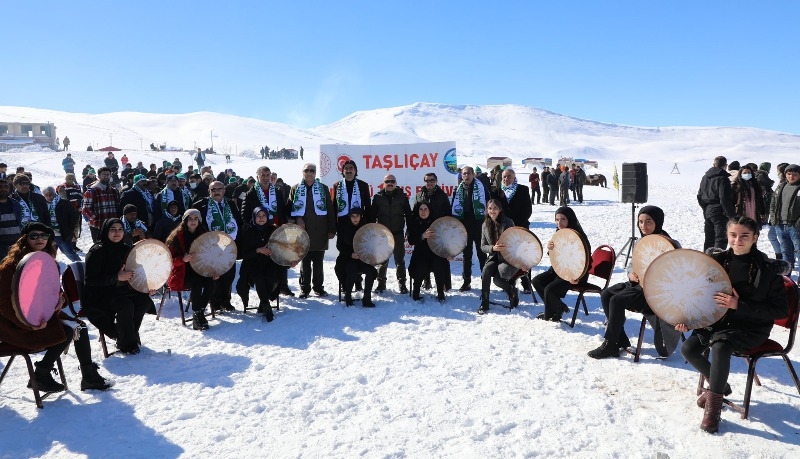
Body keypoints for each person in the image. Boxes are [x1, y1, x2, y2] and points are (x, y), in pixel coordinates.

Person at [676, 216, 787, 433]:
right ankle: (720, 385)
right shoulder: (716, 262)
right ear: (727, 236)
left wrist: (739, 305)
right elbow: (701, 295)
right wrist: (690, 320)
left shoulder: (768, 270)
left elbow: (780, 310)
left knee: (720, 346)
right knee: (689, 349)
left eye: (744, 235)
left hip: (751, 326)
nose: (738, 240)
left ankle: (713, 409)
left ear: (755, 237)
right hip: (717, 322)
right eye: (733, 235)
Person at [0, 222, 112, 392]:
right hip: (14, 325)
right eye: (34, 236)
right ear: (24, 239)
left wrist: (61, 300)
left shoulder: (46, 262)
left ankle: (89, 377)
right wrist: (27, 323)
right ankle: (41, 374)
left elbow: (54, 293)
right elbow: (4, 305)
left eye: (44, 236)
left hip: (41, 318)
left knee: (79, 327)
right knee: (65, 331)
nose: (40, 239)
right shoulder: (10, 267)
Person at [588, 206, 682, 359]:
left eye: (648, 222)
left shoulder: (671, 244)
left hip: (655, 293)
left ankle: (610, 344)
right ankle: (620, 338)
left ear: (657, 222)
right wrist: (631, 273)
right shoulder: (640, 241)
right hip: (636, 285)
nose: (643, 226)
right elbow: (634, 264)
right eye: (640, 222)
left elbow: (678, 272)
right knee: (606, 294)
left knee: (617, 300)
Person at [82, 218, 155, 355]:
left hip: (121, 291)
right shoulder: (96, 252)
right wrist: (116, 277)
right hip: (100, 295)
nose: (117, 232)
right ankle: (126, 341)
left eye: (120, 229)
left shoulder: (127, 249)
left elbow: (137, 272)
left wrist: (147, 287)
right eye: (113, 229)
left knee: (144, 301)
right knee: (126, 305)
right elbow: (90, 281)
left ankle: (129, 334)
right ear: (105, 231)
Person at [533, 206, 591, 321]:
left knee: (549, 289)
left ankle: (552, 311)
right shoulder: (559, 233)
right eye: (557, 219)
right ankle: (557, 307)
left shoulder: (579, 236)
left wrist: (577, 277)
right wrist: (551, 249)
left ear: (570, 219)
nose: (559, 223)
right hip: (558, 270)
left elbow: (586, 260)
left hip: (575, 274)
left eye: (563, 219)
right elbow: (558, 256)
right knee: (537, 281)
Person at [194, 181, 243, 311]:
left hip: (229, 245)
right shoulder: (201, 205)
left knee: (229, 274)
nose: (216, 191)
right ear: (209, 191)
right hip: (211, 246)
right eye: (213, 189)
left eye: (219, 189)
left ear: (224, 190)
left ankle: (226, 301)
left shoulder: (231, 203)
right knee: (215, 274)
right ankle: (215, 302)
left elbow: (238, 220)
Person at [241, 166, 290, 296]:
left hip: (277, 230)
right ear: (257, 176)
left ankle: (283, 285)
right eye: (262, 175)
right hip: (260, 232)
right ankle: (266, 291)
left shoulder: (277, 191)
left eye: (267, 174)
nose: (265, 177)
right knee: (266, 261)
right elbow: (245, 215)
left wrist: (284, 224)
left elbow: (282, 210)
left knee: (281, 257)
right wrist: (253, 229)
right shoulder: (251, 193)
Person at [289, 164, 336, 298]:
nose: (309, 173)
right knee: (304, 261)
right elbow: (289, 209)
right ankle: (305, 288)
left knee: (318, 261)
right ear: (302, 172)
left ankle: (318, 287)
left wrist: (332, 228)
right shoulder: (295, 189)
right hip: (302, 231)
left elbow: (330, 209)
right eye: (306, 170)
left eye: (312, 171)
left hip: (320, 230)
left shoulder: (323, 188)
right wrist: (297, 218)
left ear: (315, 173)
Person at [165, 209, 215, 330]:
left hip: (201, 268)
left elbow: (211, 253)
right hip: (183, 271)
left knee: (211, 283)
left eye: (195, 218)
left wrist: (213, 269)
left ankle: (200, 311)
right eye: (190, 219)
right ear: (185, 221)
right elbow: (169, 260)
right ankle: (197, 317)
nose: (193, 221)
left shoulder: (203, 233)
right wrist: (183, 259)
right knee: (196, 284)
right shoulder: (177, 236)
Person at [236, 208, 288, 320]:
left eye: (263, 215)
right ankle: (266, 305)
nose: (261, 218)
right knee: (259, 277)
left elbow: (282, 249)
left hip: (269, 262)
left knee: (271, 277)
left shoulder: (273, 230)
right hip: (252, 262)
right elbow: (243, 253)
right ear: (254, 217)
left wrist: (288, 260)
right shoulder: (248, 231)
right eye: (258, 215)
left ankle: (263, 304)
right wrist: (258, 250)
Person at [477, 199, 523, 314]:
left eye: (495, 208)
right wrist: (493, 248)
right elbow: (483, 246)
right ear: (487, 210)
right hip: (494, 256)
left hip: (508, 258)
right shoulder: (485, 224)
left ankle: (512, 291)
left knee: (498, 279)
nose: (492, 211)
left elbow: (515, 243)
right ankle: (485, 302)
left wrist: (503, 247)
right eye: (490, 208)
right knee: (486, 271)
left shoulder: (508, 222)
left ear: (500, 209)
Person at [371, 174, 412, 294]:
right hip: (383, 235)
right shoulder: (378, 197)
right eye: (387, 181)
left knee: (400, 260)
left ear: (396, 182)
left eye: (392, 181)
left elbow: (408, 215)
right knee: (382, 261)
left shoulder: (403, 197)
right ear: (383, 183)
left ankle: (402, 284)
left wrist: (409, 229)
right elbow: (373, 216)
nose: (390, 183)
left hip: (398, 233)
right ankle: (381, 284)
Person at [451, 166, 490, 291]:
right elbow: (454, 206)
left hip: (479, 226)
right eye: (464, 174)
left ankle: (485, 281)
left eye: (468, 173)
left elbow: (489, 205)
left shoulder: (482, 187)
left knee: (482, 255)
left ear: (473, 174)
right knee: (466, 256)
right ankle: (466, 281)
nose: (466, 176)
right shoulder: (458, 189)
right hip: (465, 227)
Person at [334, 207, 377, 307]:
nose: (355, 218)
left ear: (361, 216)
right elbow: (339, 246)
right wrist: (351, 254)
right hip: (347, 257)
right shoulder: (344, 228)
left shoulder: (367, 228)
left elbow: (371, 244)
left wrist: (366, 254)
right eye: (352, 216)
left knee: (370, 272)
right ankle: (348, 297)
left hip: (363, 258)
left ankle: (367, 299)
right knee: (351, 270)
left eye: (357, 216)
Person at [407, 203, 449, 302]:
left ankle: (440, 293)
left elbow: (444, 240)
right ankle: (416, 293)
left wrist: (448, 253)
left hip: (435, 253)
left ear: (429, 211)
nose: (423, 211)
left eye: (426, 209)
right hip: (420, 254)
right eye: (421, 209)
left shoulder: (436, 222)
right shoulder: (414, 223)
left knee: (439, 265)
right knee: (420, 267)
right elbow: (411, 241)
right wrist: (422, 236)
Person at [697, 156, 736, 251]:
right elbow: (724, 198)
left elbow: (699, 196)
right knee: (721, 238)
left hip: (708, 210)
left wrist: (705, 209)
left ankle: (706, 259)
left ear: (714, 164)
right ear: (725, 166)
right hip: (719, 211)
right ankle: (716, 260)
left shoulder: (705, 177)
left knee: (709, 239)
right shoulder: (723, 178)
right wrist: (731, 215)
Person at [768, 163, 800, 274]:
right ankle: (787, 276)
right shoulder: (781, 187)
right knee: (786, 252)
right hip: (780, 225)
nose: (791, 176)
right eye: (789, 174)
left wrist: (797, 223)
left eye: (794, 174)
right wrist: (773, 219)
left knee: (799, 251)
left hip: (795, 226)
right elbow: (773, 203)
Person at [42, 186, 81, 262]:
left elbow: (73, 217)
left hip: (62, 234)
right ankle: (51, 270)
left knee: (68, 252)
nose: (49, 197)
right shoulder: (42, 204)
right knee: (49, 255)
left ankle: (81, 267)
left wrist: (70, 230)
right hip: (49, 235)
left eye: (51, 194)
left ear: (55, 193)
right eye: (47, 195)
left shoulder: (64, 202)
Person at [81, 167, 120, 242]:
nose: (106, 176)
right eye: (103, 174)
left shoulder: (114, 190)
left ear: (110, 176)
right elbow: (86, 209)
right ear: (99, 176)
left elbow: (117, 205)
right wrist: (95, 218)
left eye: (108, 174)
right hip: (98, 226)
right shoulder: (92, 190)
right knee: (99, 248)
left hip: (112, 225)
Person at [332, 160, 372, 231]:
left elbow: (368, 206)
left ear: (355, 171)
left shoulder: (363, 185)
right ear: (343, 171)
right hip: (342, 225)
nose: (348, 171)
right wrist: (333, 227)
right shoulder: (337, 186)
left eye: (351, 168)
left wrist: (369, 224)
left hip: (360, 224)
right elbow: (334, 207)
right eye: (346, 168)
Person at [0, 178, 22, 258]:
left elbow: (20, 222)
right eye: (0, 187)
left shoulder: (15, 203)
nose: (3, 189)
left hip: (16, 245)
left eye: (6, 186)